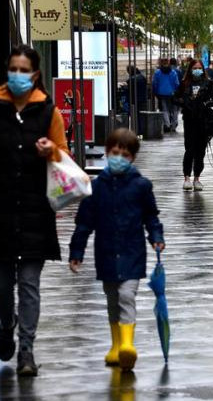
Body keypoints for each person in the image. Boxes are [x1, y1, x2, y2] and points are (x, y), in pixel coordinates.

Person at [0, 44, 70, 376]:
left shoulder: (48, 111)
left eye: (25, 71)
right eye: (13, 69)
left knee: (29, 284)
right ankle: (6, 320)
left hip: (35, 209)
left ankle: (26, 350)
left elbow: (65, 158)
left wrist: (51, 150)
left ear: (35, 75)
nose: (18, 76)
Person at [69, 128, 165, 371]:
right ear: (107, 152)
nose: (119, 158)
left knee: (126, 296)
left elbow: (151, 216)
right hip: (106, 253)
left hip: (133, 252)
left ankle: (127, 346)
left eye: (124, 154)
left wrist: (156, 237)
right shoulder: (96, 187)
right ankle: (115, 346)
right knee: (112, 299)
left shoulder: (141, 186)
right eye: (114, 152)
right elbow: (84, 223)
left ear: (132, 157)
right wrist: (76, 253)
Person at [177, 63, 213, 191]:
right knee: (189, 149)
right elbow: (175, 97)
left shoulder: (208, 83)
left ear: (202, 70)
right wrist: (185, 103)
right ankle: (186, 178)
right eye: (194, 68)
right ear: (190, 69)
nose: (197, 70)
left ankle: (197, 178)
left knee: (200, 151)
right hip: (189, 120)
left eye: (199, 68)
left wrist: (205, 104)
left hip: (203, 120)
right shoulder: (184, 83)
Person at [152, 58, 180, 133]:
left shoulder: (157, 72)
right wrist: (176, 91)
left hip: (161, 93)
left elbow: (154, 83)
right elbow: (177, 83)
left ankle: (167, 124)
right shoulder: (173, 72)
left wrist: (155, 92)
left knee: (165, 109)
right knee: (174, 109)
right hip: (172, 93)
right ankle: (174, 125)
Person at [126, 65, 147, 134]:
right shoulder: (142, 77)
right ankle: (141, 130)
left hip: (134, 100)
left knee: (135, 115)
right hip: (143, 99)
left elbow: (129, 88)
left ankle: (137, 130)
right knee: (140, 116)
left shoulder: (131, 79)